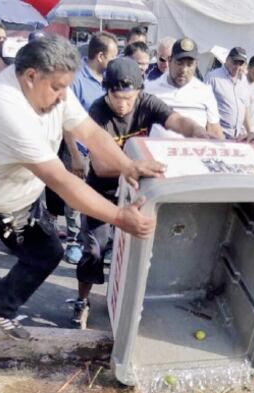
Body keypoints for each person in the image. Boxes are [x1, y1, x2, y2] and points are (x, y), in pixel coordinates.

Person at [0, 35, 165, 393]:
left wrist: (128, 166)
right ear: (29, 77)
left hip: (17, 199)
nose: (63, 96)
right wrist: (120, 218)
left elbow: (88, 130)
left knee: (47, 253)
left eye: (66, 88)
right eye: (58, 88)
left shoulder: (53, 84)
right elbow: (60, 181)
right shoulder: (5, 107)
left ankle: (0, 306)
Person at [70, 57, 209, 328]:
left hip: (136, 191)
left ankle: (131, 301)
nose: (122, 104)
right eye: (116, 97)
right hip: (102, 191)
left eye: (129, 98)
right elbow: (100, 165)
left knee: (140, 250)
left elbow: (176, 120)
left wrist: (197, 131)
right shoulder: (98, 112)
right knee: (94, 251)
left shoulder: (147, 102)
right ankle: (82, 301)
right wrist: (137, 167)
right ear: (106, 91)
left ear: (139, 92)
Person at [62, 31, 119, 265]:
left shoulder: (109, 80)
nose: (115, 61)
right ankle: (73, 241)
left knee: (95, 199)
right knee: (74, 199)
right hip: (78, 151)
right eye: (113, 56)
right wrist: (75, 155)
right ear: (101, 56)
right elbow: (66, 122)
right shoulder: (75, 81)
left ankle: (95, 243)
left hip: (100, 154)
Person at [145, 37, 224, 139]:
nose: (184, 69)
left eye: (189, 64)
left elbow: (215, 131)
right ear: (170, 60)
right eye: (179, 63)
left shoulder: (205, 93)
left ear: (196, 64)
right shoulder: (150, 89)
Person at [206, 47, 253, 139]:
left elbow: (245, 110)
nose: (237, 66)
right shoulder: (213, 78)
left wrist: (250, 132)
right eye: (235, 62)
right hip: (217, 135)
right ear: (227, 59)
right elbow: (204, 108)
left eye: (241, 63)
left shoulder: (243, 81)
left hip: (238, 136)